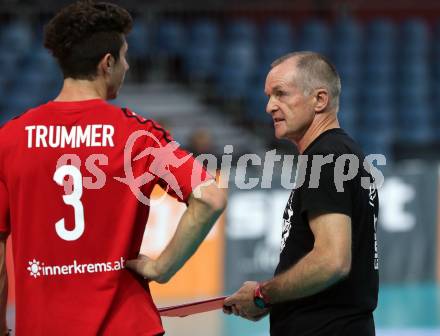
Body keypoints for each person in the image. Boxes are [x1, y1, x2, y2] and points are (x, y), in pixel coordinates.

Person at [0, 1, 226, 335]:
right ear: (107, 63)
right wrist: (162, 267)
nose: (128, 66)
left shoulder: (10, 138)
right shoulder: (138, 134)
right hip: (127, 326)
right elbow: (210, 198)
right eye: (124, 56)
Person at [224, 51, 379, 335]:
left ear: (320, 100)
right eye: (269, 96)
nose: (270, 106)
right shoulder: (340, 153)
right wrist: (271, 299)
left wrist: (262, 294)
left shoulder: (328, 156)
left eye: (281, 94)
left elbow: (332, 261)